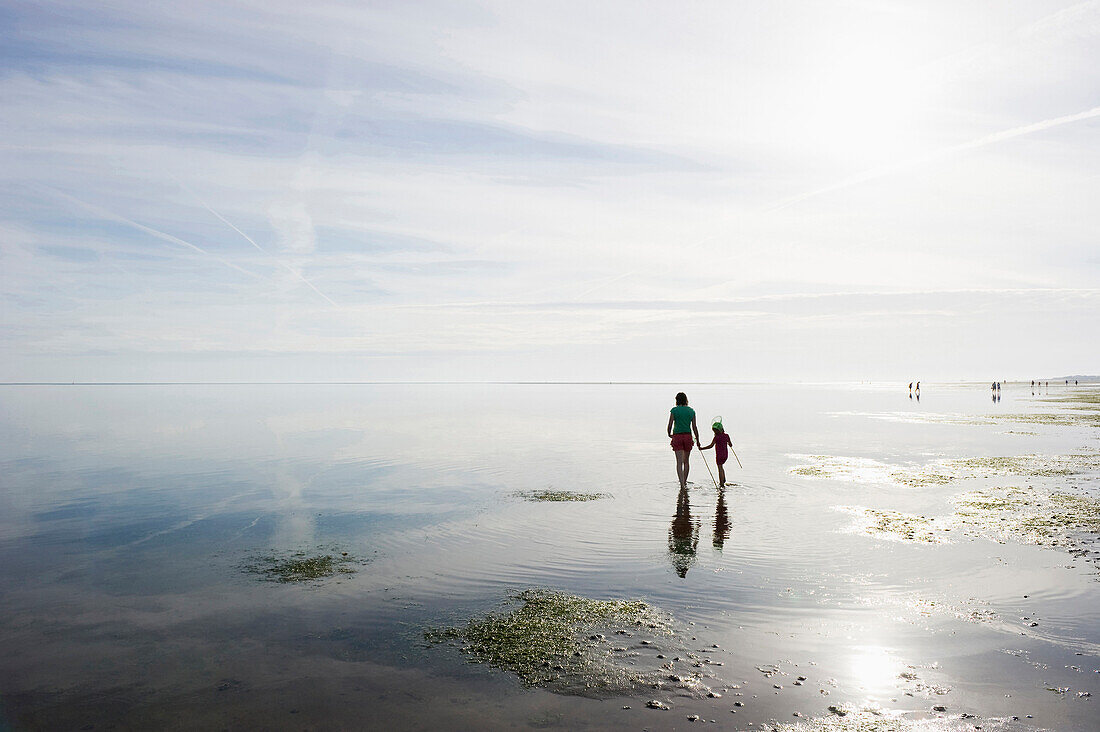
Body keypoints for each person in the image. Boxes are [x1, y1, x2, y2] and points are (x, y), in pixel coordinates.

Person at [667, 392, 701, 490]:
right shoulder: (691, 411)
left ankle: (681, 484)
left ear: (677, 400)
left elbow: (669, 425)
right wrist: (698, 440)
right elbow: (694, 427)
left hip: (677, 436)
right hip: (687, 436)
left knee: (679, 462)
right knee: (686, 461)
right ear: (686, 400)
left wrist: (669, 434)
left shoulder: (674, 410)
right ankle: (685, 482)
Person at [700, 419, 734, 487]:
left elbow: (711, 446)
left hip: (719, 455)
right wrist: (728, 443)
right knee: (721, 467)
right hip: (725, 455)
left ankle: (721, 484)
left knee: (719, 468)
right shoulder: (726, 436)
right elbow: (730, 444)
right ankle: (723, 480)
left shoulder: (716, 437)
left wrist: (702, 448)